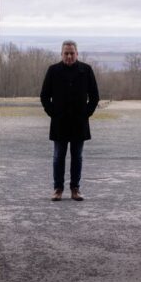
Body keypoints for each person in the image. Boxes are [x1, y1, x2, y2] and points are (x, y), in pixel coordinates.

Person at [40, 40, 99, 201]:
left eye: (72, 53)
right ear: (61, 54)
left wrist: (86, 114)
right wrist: (53, 113)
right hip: (59, 122)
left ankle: (75, 189)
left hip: (79, 122)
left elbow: (94, 96)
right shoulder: (53, 70)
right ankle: (58, 189)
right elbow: (44, 96)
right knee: (58, 156)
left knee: (77, 157)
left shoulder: (86, 70)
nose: (69, 56)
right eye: (66, 53)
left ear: (77, 54)